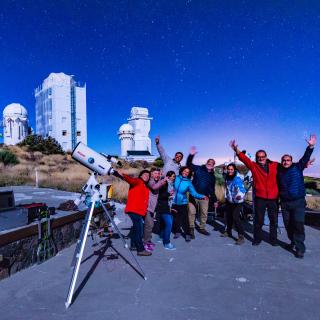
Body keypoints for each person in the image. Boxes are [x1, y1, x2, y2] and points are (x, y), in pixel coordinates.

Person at [229, 140, 279, 246]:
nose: (261, 158)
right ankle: (257, 239)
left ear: (266, 156)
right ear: (256, 158)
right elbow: (244, 158)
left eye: (263, 156)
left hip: (273, 198)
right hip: (260, 197)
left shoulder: (275, 165)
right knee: (258, 220)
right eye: (259, 157)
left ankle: (273, 240)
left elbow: (287, 167)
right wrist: (236, 149)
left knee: (273, 220)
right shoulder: (254, 166)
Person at [277, 134, 317, 258]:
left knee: (298, 225)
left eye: (288, 160)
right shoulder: (279, 172)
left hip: (298, 202)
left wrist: (310, 146)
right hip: (285, 203)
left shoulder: (297, 167)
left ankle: (300, 248)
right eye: (283, 160)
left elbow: (305, 158)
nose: (285, 162)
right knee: (288, 225)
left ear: (291, 161)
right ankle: (293, 242)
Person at [113, 169, 152, 256]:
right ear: (141, 176)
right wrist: (121, 174)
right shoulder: (138, 181)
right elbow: (130, 180)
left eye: (148, 175)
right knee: (139, 230)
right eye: (145, 174)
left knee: (135, 228)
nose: (147, 176)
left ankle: (134, 245)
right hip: (134, 210)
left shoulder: (145, 186)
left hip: (139, 211)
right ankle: (140, 250)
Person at [186, 146, 218, 237]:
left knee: (204, 213)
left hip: (205, 197)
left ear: (213, 165)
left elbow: (212, 189)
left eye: (212, 163)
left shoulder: (212, 176)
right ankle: (191, 228)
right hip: (193, 195)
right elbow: (189, 164)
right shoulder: (198, 168)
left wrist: (215, 200)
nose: (210, 164)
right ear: (206, 163)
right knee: (191, 212)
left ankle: (202, 228)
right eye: (209, 162)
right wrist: (191, 155)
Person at [172, 166, 207, 242]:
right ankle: (177, 232)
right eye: (184, 171)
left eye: (187, 172)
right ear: (181, 171)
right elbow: (170, 184)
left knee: (185, 219)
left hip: (183, 202)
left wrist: (202, 196)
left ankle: (187, 234)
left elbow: (194, 193)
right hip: (174, 202)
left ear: (189, 174)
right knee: (176, 218)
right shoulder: (176, 178)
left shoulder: (188, 182)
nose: (185, 173)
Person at [222, 163, 247, 245]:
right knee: (229, 216)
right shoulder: (227, 177)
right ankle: (228, 232)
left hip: (237, 201)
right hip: (230, 200)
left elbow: (242, 189)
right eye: (228, 169)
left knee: (235, 217)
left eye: (231, 169)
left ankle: (241, 236)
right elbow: (227, 188)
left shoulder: (237, 179)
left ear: (234, 170)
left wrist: (239, 195)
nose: (230, 171)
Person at [143, 167, 167, 251]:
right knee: (149, 225)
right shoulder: (150, 180)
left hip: (152, 207)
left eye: (158, 173)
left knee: (150, 225)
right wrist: (162, 180)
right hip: (148, 206)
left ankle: (148, 240)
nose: (157, 175)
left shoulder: (156, 179)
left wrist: (161, 175)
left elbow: (162, 177)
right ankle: (145, 243)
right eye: (155, 173)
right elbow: (154, 187)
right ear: (151, 174)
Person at [156, 171, 177, 250]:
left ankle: (161, 237)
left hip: (169, 206)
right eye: (172, 176)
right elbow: (160, 195)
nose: (173, 178)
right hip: (164, 206)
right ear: (168, 177)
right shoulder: (165, 183)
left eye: (174, 176)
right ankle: (167, 243)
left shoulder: (171, 184)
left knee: (164, 223)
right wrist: (169, 194)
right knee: (169, 224)